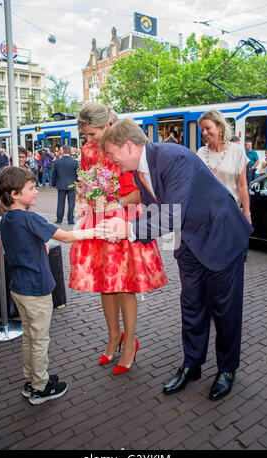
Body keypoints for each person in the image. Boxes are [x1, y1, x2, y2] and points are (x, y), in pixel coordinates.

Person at [98, 117, 253, 401]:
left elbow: (172, 213)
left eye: (110, 152)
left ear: (129, 146)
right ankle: (192, 364)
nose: (109, 159)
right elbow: (152, 213)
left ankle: (227, 369)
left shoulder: (173, 156)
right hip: (189, 243)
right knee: (192, 305)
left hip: (221, 237)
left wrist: (129, 230)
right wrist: (123, 231)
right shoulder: (139, 173)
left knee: (225, 309)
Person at [69, 103, 167, 375]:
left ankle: (129, 344)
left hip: (127, 220)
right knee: (105, 283)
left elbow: (144, 191)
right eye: (85, 135)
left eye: (92, 134)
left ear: (107, 126)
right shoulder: (88, 151)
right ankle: (114, 336)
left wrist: (116, 203)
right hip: (99, 220)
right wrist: (84, 201)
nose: (88, 141)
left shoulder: (127, 144)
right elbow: (86, 185)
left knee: (125, 286)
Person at [0, 166, 95, 405]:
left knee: (29, 337)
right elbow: (66, 236)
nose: (36, 191)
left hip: (18, 287)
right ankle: (40, 387)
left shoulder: (7, 218)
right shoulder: (30, 218)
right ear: (15, 193)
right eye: (31, 188)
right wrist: (95, 230)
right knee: (40, 340)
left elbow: (23, 245)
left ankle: (32, 379)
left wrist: (40, 247)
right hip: (35, 288)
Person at [197, 110, 251, 224]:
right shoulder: (201, 152)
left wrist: (247, 213)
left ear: (220, 127)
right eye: (202, 130)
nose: (204, 133)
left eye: (208, 128)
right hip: (206, 215)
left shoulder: (237, 151)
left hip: (230, 214)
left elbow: (242, 185)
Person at [52, 144, 79, 225]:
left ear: (62, 151)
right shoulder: (74, 162)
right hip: (72, 185)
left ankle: (59, 219)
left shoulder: (57, 162)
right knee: (71, 203)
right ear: (70, 152)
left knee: (60, 203)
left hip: (61, 185)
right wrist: (78, 183)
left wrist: (53, 184)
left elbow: (54, 175)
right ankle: (70, 220)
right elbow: (78, 174)